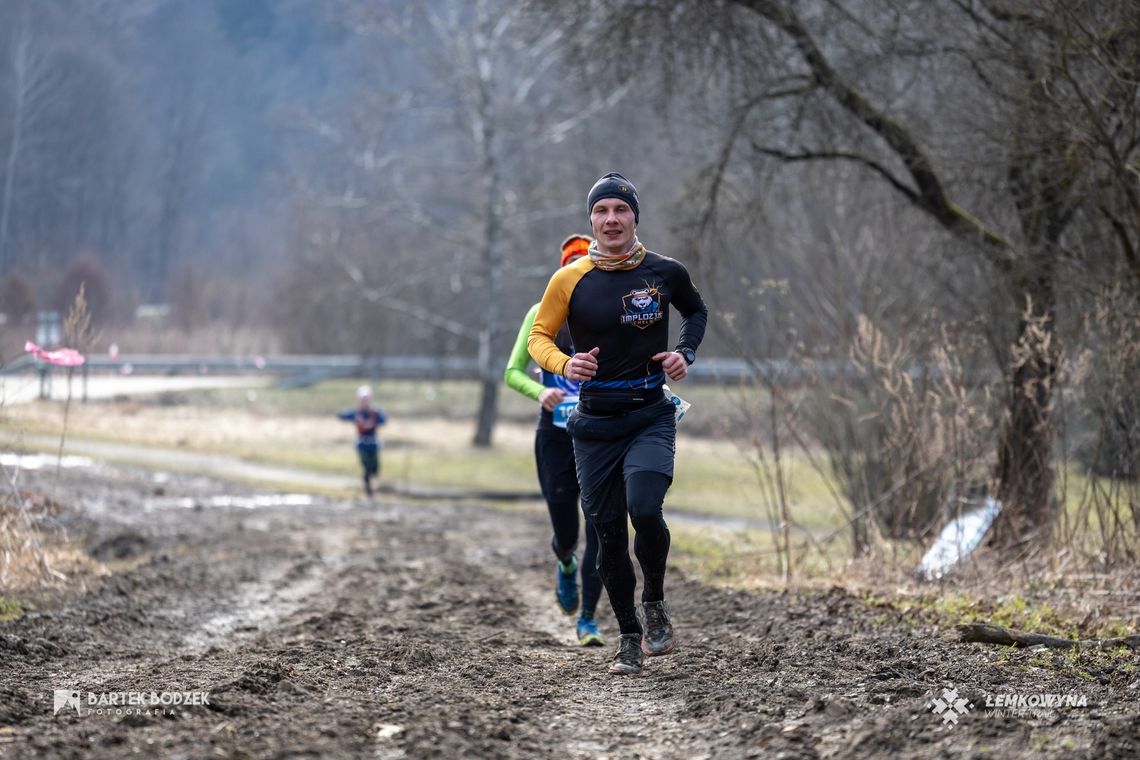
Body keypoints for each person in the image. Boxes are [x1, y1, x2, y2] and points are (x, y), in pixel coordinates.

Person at [528, 172, 708, 675]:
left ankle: (654, 602)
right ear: (591, 220)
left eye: (620, 210)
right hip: (594, 425)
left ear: (634, 217)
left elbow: (696, 312)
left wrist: (684, 353)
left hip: (650, 413)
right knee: (607, 533)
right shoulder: (569, 279)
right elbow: (538, 338)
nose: (611, 219)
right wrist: (565, 364)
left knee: (645, 510)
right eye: (601, 212)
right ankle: (628, 635)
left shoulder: (665, 272)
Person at [504, 233, 606, 647]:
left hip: (600, 435)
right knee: (568, 532)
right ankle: (565, 561)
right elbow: (512, 371)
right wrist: (540, 391)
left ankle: (588, 621)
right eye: (571, 270)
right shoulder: (539, 313)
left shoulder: (606, 311)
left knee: (601, 527)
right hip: (555, 435)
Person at [338, 385, 388, 498]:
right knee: (366, 467)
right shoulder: (357, 412)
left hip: (373, 443)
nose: (364, 401)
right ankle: (368, 491)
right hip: (361, 443)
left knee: (375, 467)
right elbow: (342, 415)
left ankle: (374, 485)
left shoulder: (374, 412)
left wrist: (377, 421)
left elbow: (384, 420)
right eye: (362, 399)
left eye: (366, 398)